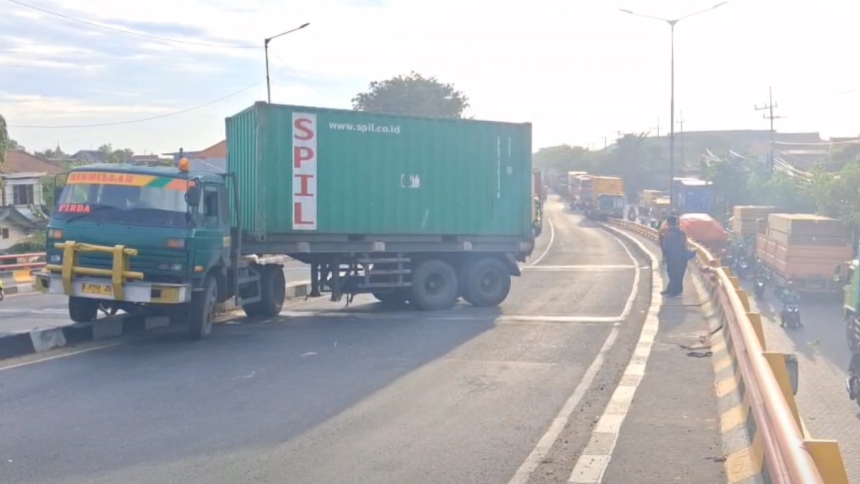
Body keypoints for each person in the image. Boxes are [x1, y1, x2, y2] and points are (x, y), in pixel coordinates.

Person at [661, 215, 689, 297]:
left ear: (668, 223)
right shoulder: (681, 232)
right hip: (682, 256)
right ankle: (674, 289)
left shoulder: (668, 233)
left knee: (673, 274)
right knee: (679, 274)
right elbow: (685, 243)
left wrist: (665, 257)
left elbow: (667, 246)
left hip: (673, 257)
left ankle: (674, 291)